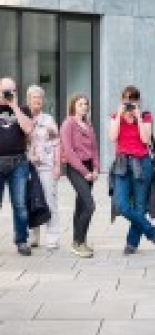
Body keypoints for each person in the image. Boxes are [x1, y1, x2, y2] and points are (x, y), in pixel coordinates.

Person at [109, 86, 155, 255]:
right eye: (126, 99)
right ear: (122, 100)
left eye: (133, 99)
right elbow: (112, 137)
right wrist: (119, 115)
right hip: (122, 163)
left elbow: (145, 139)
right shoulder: (116, 117)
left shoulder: (145, 116)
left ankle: (132, 243)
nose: (130, 102)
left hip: (142, 162)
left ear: (138, 101)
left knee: (140, 206)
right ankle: (152, 231)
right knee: (122, 205)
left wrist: (138, 117)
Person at [60, 94, 99, 258]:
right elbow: (68, 151)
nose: (84, 106)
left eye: (85, 104)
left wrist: (96, 168)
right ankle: (78, 242)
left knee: (81, 206)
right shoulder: (68, 124)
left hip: (90, 167)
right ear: (73, 106)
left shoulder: (88, 125)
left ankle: (79, 242)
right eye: (80, 104)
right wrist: (85, 172)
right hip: (76, 168)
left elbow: (95, 149)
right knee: (90, 205)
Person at [0, 77, 34, 256]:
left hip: (18, 163)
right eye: (4, 90)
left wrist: (14, 107)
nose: (7, 94)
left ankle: (21, 241)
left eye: (11, 90)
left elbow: (28, 129)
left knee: (20, 204)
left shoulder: (23, 109)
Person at [26, 85, 61, 250]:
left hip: (46, 166)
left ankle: (52, 238)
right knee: (31, 201)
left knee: (49, 200)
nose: (37, 101)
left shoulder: (48, 120)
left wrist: (57, 166)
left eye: (39, 98)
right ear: (28, 100)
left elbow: (57, 143)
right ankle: (34, 236)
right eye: (34, 98)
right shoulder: (23, 118)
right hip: (27, 167)